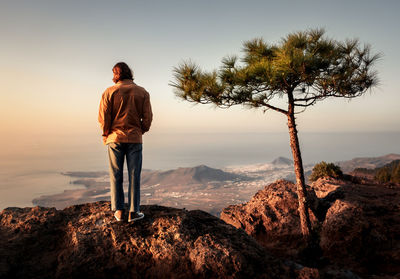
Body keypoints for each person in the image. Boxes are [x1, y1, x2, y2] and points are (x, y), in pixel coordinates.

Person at [98, 62, 153, 222]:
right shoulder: (142, 92)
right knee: (135, 174)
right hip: (135, 138)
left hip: (115, 138)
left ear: (116, 75)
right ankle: (134, 212)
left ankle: (119, 211)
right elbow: (148, 118)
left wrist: (106, 133)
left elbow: (103, 118)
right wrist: (140, 130)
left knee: (116, 174)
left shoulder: (109, 92)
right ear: (130, 73)